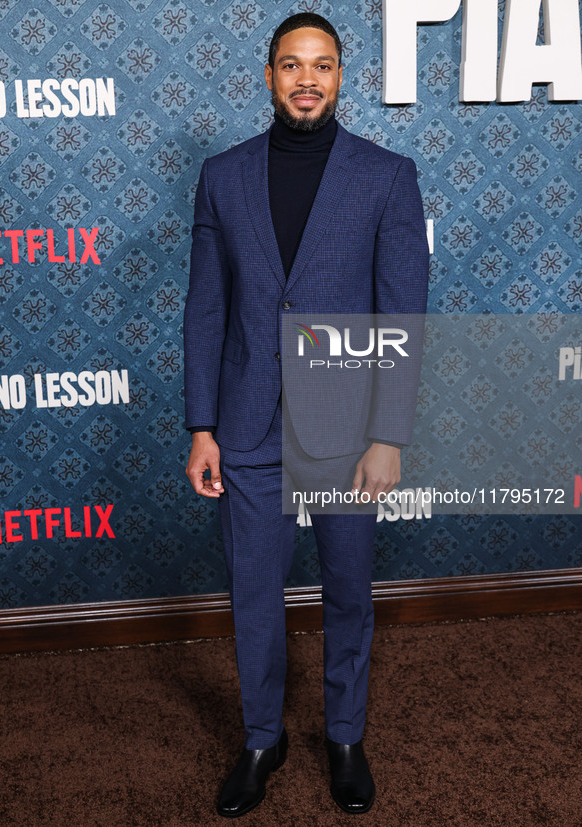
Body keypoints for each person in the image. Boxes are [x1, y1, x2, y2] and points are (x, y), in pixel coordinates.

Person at [183, 12, 429, 818]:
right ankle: (262, 737)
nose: (306, 79)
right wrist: (201, 425)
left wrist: (388, 435)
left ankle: (344, 734)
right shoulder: (222, 176)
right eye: (291, 64)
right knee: (252, 592)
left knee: (347, 591)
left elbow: (402, 318)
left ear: (340, 75)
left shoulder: (387, 176)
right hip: (245, 421)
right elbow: (206, 310)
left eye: (321, 64)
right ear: (267, 75)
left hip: (348, 430)